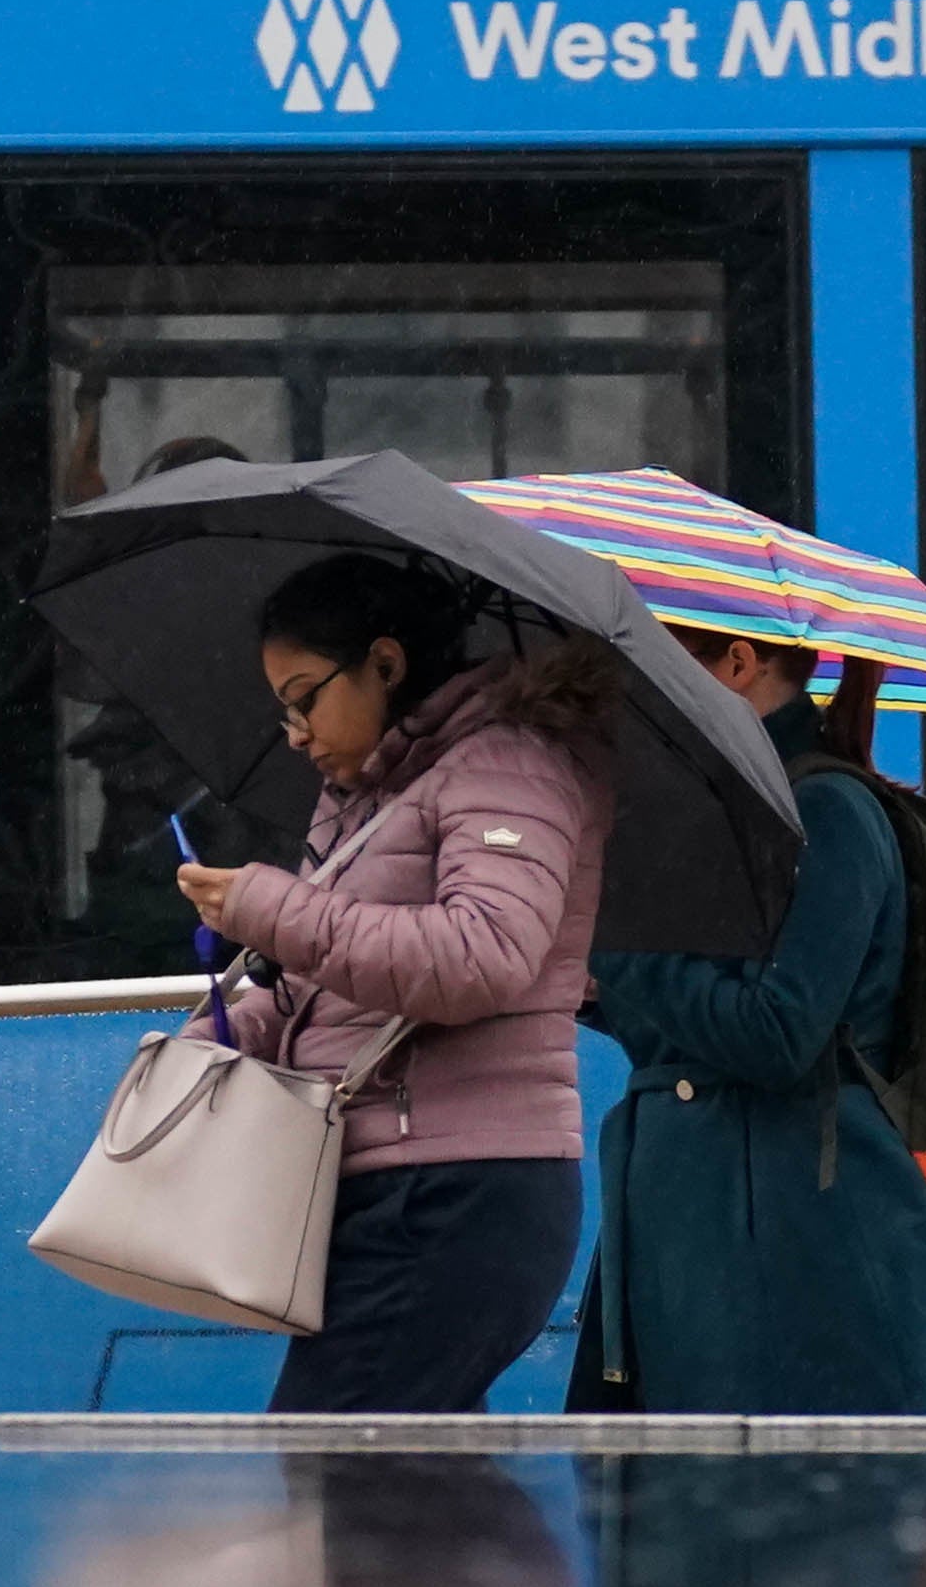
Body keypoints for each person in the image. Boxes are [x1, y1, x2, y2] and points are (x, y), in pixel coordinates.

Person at [168, 551, 615, 1414]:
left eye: (305, 697)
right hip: (393, 1181)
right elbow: (330, 981)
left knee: (340, 1475)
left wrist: (268, 905)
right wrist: (228, 1034)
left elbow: (483, 955)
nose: (295, 732)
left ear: (385, 663)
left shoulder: (508, 765)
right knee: (407, 1501)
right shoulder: (369, 790)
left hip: (458, 1189)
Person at [579, 631, 926, 1417]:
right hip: (707, 1223)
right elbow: (691, 1028)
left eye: (656, 671)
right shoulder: (731, 813)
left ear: (737, 664)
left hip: (804, 1233)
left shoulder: (828, 811)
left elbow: (779, 1032)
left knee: (813, 1515)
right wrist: (603, 988)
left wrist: (619, 948)